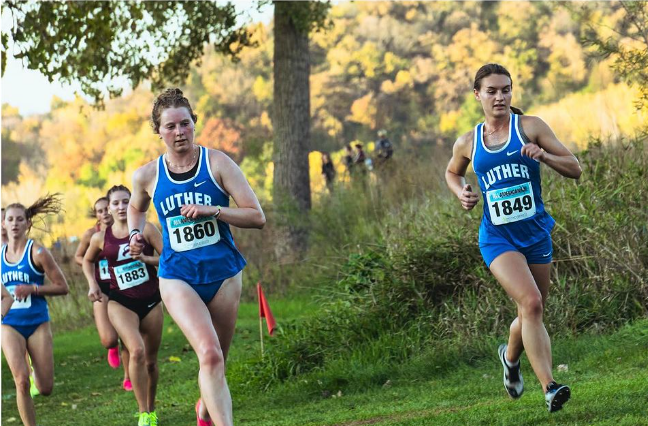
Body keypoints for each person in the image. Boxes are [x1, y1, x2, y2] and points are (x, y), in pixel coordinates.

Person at [444, 63, 582, 413]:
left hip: (535, 234)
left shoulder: (530, 127)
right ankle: (550, 388)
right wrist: (462, 193)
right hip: (497, 238)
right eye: (491, 90)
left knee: (531, 310)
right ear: (477, 95)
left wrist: (544, 156)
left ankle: (510, 356)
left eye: (505, 89)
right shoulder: (468, 142)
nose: (500, 96)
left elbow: (575, 168)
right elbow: (451, 172)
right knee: (532, 303)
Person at [128, 88, 265, 426]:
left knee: (218, 361)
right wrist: (134, 234)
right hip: (178, 277)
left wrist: (214, 210)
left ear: (194, 124)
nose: (179, 133)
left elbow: (256, 216)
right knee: (209, 353)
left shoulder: (217, 163)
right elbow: (136, 207)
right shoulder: (147, 175)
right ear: (158, 131)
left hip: (224, 275)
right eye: (170, 126)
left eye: (185, 124)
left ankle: (205, 408)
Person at [83, 185, 163, 426]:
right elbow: (87, 261)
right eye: (115, 203)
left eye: (125, 202)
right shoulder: (100, 238)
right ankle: (143, 413)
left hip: (151, 300)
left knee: (150, 362)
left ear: (132, 204)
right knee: (136, 351)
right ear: (108, 208)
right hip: (120, 302)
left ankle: (151, 407)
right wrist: (92, 284)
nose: (120, 207)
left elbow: (170, 256)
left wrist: (146, 259)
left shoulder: (147, 229)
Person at [1, 194, 70, 426]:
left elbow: (63, 287)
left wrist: (33, 288)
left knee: (45, 387)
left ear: (28, 223)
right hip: (9, 324)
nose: (14, 224)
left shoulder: (38, 253)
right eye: (9, 219)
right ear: (3, 223)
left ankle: (33, 369)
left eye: (20, 219)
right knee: (20, 381)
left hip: (37, 322)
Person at [75, 196, 132, 389]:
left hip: (124, 285)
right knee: (109, 339)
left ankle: (128, 376)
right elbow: (79, 257)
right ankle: (111, 347)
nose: (104, 214)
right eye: (99, 211)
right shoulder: (92, 235)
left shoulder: (125, 229)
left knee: (128, 336)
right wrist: (91, 271)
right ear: (96, 215)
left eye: (105, 209)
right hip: (102, 287)